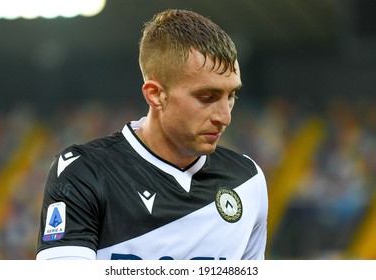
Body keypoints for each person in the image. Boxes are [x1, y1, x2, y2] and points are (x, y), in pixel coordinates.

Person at [36, 8, 268, 260]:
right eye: (207, 97)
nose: (225, 117)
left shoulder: (248, 181)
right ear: (155, 95)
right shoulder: (86, 173)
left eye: (231, 95)